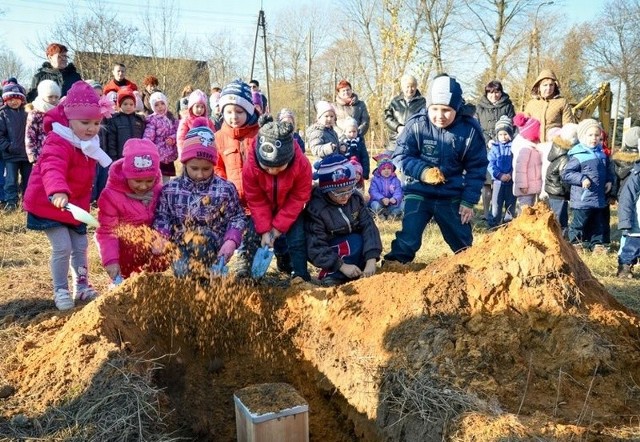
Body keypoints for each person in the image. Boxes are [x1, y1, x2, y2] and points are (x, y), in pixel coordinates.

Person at [23, 80, 113, 311]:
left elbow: (94, 175)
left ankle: (82, 285)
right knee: (62, 246)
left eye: (96, 123)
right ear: (69, 119)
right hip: (49, 202)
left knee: (81, 245)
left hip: (74, 206)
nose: (92, 128)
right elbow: (51, 167)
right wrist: (57, 191)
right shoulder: (59, 140)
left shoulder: (89, 144)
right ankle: (61, 289)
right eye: (85, 123)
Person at [383, 74, 488, 262]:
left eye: (446, 110)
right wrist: (422, 172)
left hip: (452, 194)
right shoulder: (416, 124)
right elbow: (400, 156)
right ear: (427, 106)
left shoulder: (470, 131)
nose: (440, 116)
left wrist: (468, 201)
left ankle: (469, 270)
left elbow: (477, 168)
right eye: (435, 109)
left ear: (457, 107)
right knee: (409, 237)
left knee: (462, 240)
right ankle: (394, 266)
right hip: (419, 191)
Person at [153, 125, 246, 277]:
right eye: (194, 168)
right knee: (184, 272)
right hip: (180, 245)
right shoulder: (171, 190)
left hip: (213, 245)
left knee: (203, 250)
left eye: (206, 169)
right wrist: (161, 236)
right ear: (184, 164)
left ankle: (210, 281)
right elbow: (162, 216)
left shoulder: (224, 189)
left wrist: (231, 240)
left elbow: (237, 217)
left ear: (213, 165)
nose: (200, 174)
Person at [242, 116, 313, 281]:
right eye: (267, 167)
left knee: (296, 238)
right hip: (264, 206)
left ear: (288, 158)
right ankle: (248, 274)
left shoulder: (302, 165)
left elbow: (298, 198)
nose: (272, 171)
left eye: (279, 167)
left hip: (289, 207)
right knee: (252, 235)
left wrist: (277, 229)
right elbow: (256, 200)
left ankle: (300, 275)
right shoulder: (251, 166)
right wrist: (265, 230)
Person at [96, 138, 168, 282]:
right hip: (124, 255)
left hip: (151, 255)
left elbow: (166, 218)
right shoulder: (111, 196)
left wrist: (162, 236)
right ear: (126, 174)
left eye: (149, 181)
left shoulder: (159, 191)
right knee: (126, 289)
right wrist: (111, 260)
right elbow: (107, 231)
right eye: (138, 181)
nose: (143, 186)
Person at [306, 154, 382, 286]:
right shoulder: (317, 208)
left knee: (360, 239)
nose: (345, 196)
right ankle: (333, 275)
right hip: (332, 250)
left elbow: (369, 227)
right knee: (354, 241)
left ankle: (360, 269)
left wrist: (371, 260)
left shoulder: (355, 199)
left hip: (352, 245)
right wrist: (342, 266)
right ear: (326, 190)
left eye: (349, 190)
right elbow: (315, 245)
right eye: (339, 192)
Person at [213, 79, 260, 274]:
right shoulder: (219, 137)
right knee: (232, 234)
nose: (233, 117)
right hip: (233, 200)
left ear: (248, 111)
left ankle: (246, 269)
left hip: (256, 200)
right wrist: (224, 191)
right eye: (229, 112)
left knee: (252, 238)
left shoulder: (258, 134)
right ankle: (220, 264)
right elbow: (217, 168)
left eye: (239, 112)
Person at [562, 119, 613, 253]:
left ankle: (597, 244)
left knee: (598, 223)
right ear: (582, 137)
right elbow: (567, 174)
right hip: (582, 198)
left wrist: (609, 180)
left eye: (596, 135)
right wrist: (581, 178)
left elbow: (608, 170)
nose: (594, 138)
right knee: (579, 223)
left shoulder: (601, 154)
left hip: (598, 197)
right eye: (590, 135)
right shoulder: (578, 155)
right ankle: (575, 243)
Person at [475, 80, 516, 220]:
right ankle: (487, 213)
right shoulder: (480, 107)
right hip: (486, 148)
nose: (494, 95)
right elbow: (477, 126)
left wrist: (508, 139)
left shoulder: (508, 105)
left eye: (497, 92)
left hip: (505, 148)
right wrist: (488, 140)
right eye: (491, 92)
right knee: (487, 183)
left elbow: (513, 125)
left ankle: (507, 214)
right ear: (486, 93)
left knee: (505, 182)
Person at [543, 123, 578, 236]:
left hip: (554, 189)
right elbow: (565, 177)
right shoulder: (565, 158)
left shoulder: (558, 151)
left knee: (558, 214)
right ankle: (559, 236)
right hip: (559, 191)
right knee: (559, 216)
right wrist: (570, 192)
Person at [0, 81, 30, 212]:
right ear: (6, 100)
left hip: (26, 154)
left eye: (17, 99)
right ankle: (11, 202)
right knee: (11, 180)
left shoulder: (28, 112)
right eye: (10, 99)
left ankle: (28, 202)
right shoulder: (3, 114)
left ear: (22, 100)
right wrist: (8, 146)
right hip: (10, 154)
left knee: (28, 180)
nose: (14, 102)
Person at [524, 69, 576, 142]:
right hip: (535, 145)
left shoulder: (562, 102)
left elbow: (568, 127)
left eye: (551, 85)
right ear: (539, 87)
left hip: (555, 145)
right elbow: (524, 127)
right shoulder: (531, 104)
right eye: (545, 85)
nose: (548, 88)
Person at [384, 74, 426, 153]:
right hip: (394, 143)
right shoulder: (395, 101)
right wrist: (398, 127)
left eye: (413, 86)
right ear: (402, 87)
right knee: (384, 163)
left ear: (416, 86)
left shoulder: (423, 102)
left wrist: (409, 130)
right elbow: (387, 117)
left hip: (413, 143)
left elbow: (424, 120)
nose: (410, 89)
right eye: (407, 86)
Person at [487, 116, 516, 227]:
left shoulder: (514, 147)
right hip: (498, 182)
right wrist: (499, 175)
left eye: (505, 134)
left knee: (510, 205)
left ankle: (508, 225)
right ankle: (493, 224)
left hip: (511, 181)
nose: (503, 137)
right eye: (500, 134)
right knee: (496, 204)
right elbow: (491, 164)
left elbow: (516, 162)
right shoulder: (494, 148)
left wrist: (510, 174)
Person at [143, 92, 179, 183]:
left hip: (169, 154)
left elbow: (177, 131)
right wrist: (145, 146)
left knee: (166, 179)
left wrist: (173, 139)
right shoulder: (152, 120)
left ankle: (165, 193)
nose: (160, 107)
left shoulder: (171, 118)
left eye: (162, 103)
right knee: (157, 178)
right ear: (152, 107)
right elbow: (149, 135)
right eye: (156, 105)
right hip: (157, 154)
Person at [25, 80, 61, 164]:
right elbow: (30, 135)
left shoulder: (60, 111)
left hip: (58, 152)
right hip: (41, 154)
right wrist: (33, 156)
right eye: (50, 96)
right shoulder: (35, 113)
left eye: (56, 97)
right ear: (42, 96)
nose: (53, 99)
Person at [616, 153, 640, 278]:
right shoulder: (637, 175)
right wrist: (625, 220)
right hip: (638, 222)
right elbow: (626, 198)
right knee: (632, 247)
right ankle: (624, 267)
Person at [512, 113, 542, 211]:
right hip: (525, 189)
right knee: (525, 211)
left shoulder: (533, 148)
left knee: (533, 211)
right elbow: (520, 169)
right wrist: (522, 185)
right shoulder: (525, 149)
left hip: (533, 187)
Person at [105, 88, 146, 161]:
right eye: (125, 104)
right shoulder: (115, 120)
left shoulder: (139, 120)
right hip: (121, 157)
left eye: (131, 104)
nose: (128, 107)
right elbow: (111, 141)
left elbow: (144, 138)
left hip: (138, 157)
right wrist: (113, 157)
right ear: (120, 105)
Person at [368, 153, 403, 220]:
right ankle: (380, 214)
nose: (386, 171)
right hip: (379, 202)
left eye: (389, 168)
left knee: (402, 206)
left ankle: (392, 215)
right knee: (375, 206)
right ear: (379, 170)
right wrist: (382, 198)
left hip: (391, 204)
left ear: (392, 169)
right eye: (383, 169)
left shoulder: (395, 180)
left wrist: (395, 199)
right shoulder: (375, 179)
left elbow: (398, 191)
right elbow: (373, 191)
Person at [612, 126, 640, 200]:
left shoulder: (617, 159)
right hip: (634, 198)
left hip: (620, 196)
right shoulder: (637, 163)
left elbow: (614, 179)